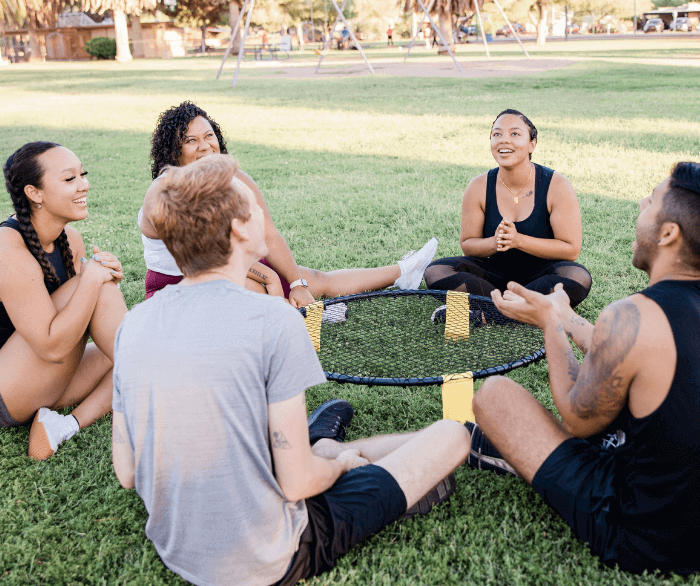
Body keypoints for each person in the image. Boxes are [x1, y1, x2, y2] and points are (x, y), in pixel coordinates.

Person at [112, 154, 469, 586]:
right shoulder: (273, 319)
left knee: (321, 452)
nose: (263, 213)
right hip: (274, 554)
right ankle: (329, 451)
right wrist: (341, 467)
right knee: (452, 436)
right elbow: (298, 483)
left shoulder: (134, 323)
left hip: (177, 551)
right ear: (240, 228)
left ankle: (322, 445)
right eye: (254, 205)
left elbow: (127, 472)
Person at [466, 162, 700, 575]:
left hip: (643, 537)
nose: (640, 204)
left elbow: (577, 417)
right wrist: (566, 314)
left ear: (668, 234)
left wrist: (550, 324)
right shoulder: (655, 320)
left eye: (651, 201)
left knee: (495, 397)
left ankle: (508, 456)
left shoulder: (632, 316)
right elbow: (626, 354)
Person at [140, 101, 438, 304]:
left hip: (233, 268)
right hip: (179, 285)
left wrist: (296, 284)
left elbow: (268, 234)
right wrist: (271, 278)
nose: (205, 145)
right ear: (174, 151)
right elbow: (206, 261)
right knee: (255, 289)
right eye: (191, 140)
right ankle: (295, 315)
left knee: (312, 280)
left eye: (209, 135)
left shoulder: (235, 179)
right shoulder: (164, 193)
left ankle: (403, 271)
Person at [0, 142, 127, 460]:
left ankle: (63, 425)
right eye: (70, 179)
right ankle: (169, 388)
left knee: (126, 350)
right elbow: (53, 348)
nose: (84, 184)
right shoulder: (7, 248)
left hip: (41, 378)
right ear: (35, 193)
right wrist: (93, 281)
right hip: (7, 390)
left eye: (82, 174)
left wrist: (103, 279)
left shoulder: (70, 239)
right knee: (98, 290)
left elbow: (84, 315)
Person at [424, 109, 591, 308]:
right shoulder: (478, 186)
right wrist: (495, 242)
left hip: (541, 275)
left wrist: (518, 240)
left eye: (515, 133)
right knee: (436, 271)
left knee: (577, 276)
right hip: (492, 276)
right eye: (497, 134)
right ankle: (517, 309)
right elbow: (468, 245)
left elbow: (571, 250)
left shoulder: (557, 185)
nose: (504, 140)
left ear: (532, 144)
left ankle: (485, 310)